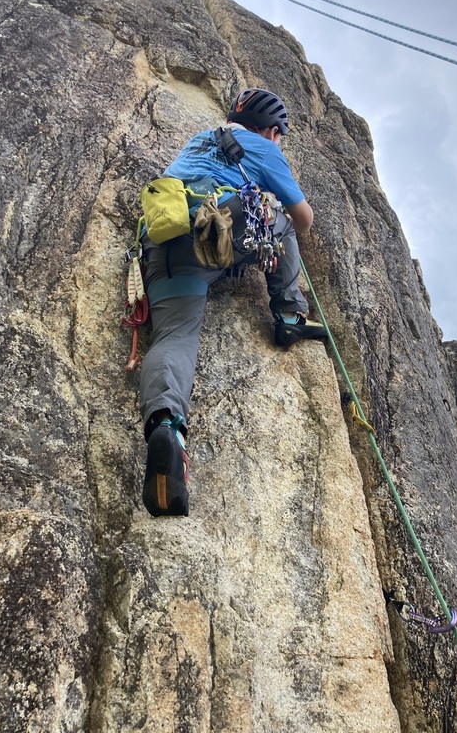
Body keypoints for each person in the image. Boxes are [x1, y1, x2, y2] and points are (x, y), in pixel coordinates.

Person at [139, 88, 327, 517]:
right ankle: (289, 314)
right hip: (219, 232)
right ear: (272, 131)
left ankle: (167, 426)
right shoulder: (265, 147)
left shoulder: (198, 140)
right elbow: (304, 219)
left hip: (165, 241)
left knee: (174, 337)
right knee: (280, 220)